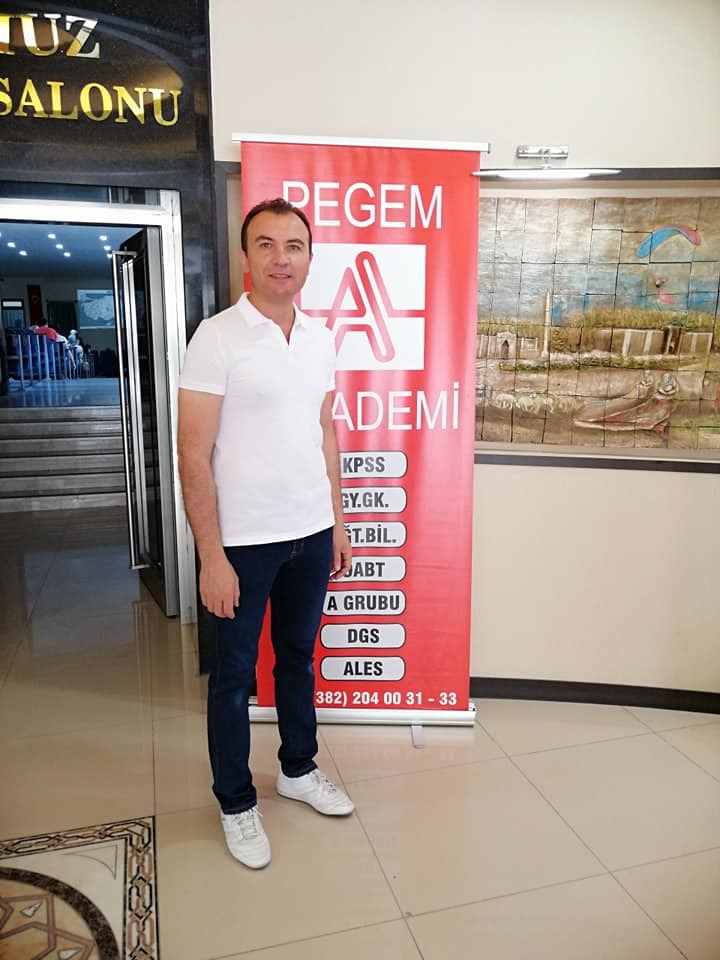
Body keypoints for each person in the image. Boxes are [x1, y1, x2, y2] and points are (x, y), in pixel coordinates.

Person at [177, 197, 354, 870]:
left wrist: (337, 519)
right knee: (232, 677)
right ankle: (235, 801)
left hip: (311, 531)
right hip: (244, 543)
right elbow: (193, 452)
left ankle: (298, 768)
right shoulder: (217, 337)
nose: (282, 258)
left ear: (309, 258)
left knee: (297, 658)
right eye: (267, 244)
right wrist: (211, 556)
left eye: (294, 246)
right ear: (247, 256)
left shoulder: (320, 338)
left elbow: (324, 431)